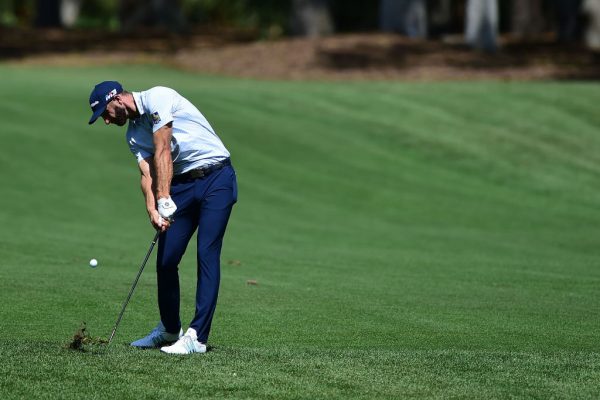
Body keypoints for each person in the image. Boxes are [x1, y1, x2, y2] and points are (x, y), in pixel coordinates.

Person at [88, 81, 237, 354]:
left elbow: (163, 148)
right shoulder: (132, 135)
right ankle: (170, 329)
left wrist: (165, 196)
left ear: (117, 99)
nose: (106, 121)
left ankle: (197, 338)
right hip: (182, 186)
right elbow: (147, 174)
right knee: (166, 260)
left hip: (216, 177)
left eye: (105, 114)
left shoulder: (158, 97)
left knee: (206, 253)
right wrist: (153, 209)